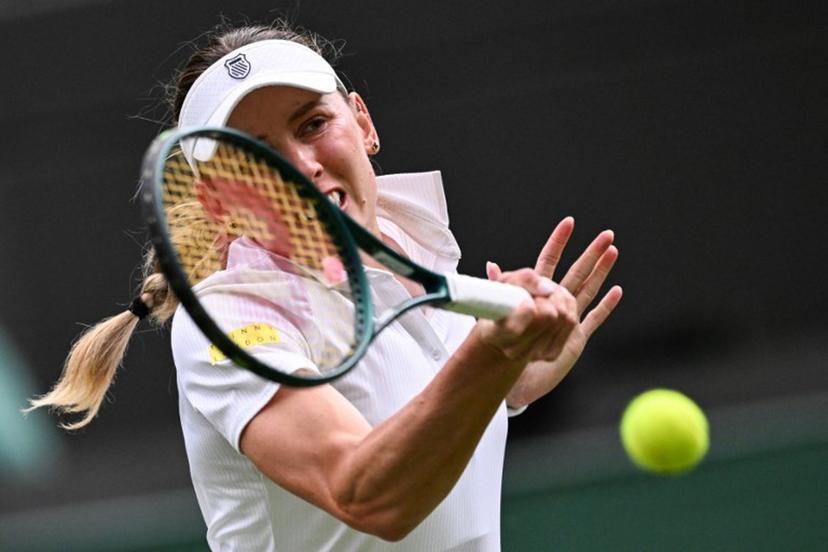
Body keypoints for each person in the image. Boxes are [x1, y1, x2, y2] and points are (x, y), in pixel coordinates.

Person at [29, 21, 622, 551]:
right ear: (216, 200)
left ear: (362, 122)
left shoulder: (415, 252)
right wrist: (488, 357)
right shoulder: (230, 320)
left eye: (313, 124)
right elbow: (369, 497)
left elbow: (430, 419)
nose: (299, 166)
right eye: (256, 158)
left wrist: (509, 382)